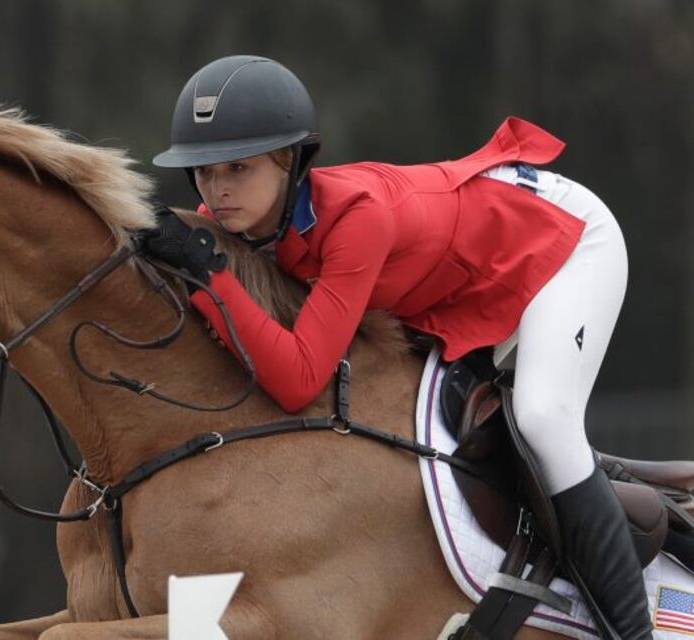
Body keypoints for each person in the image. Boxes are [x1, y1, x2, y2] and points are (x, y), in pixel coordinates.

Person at [145, 55, 652, 638]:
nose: (218, 190)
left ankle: (633, 631)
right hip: (462, 271)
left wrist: (212, 282)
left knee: (544, 418)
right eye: (204, 172)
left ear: (288, 161)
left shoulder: (358, 220)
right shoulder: (238, 219)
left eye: (238, 167)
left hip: (561, 241)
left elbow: (298, 379)